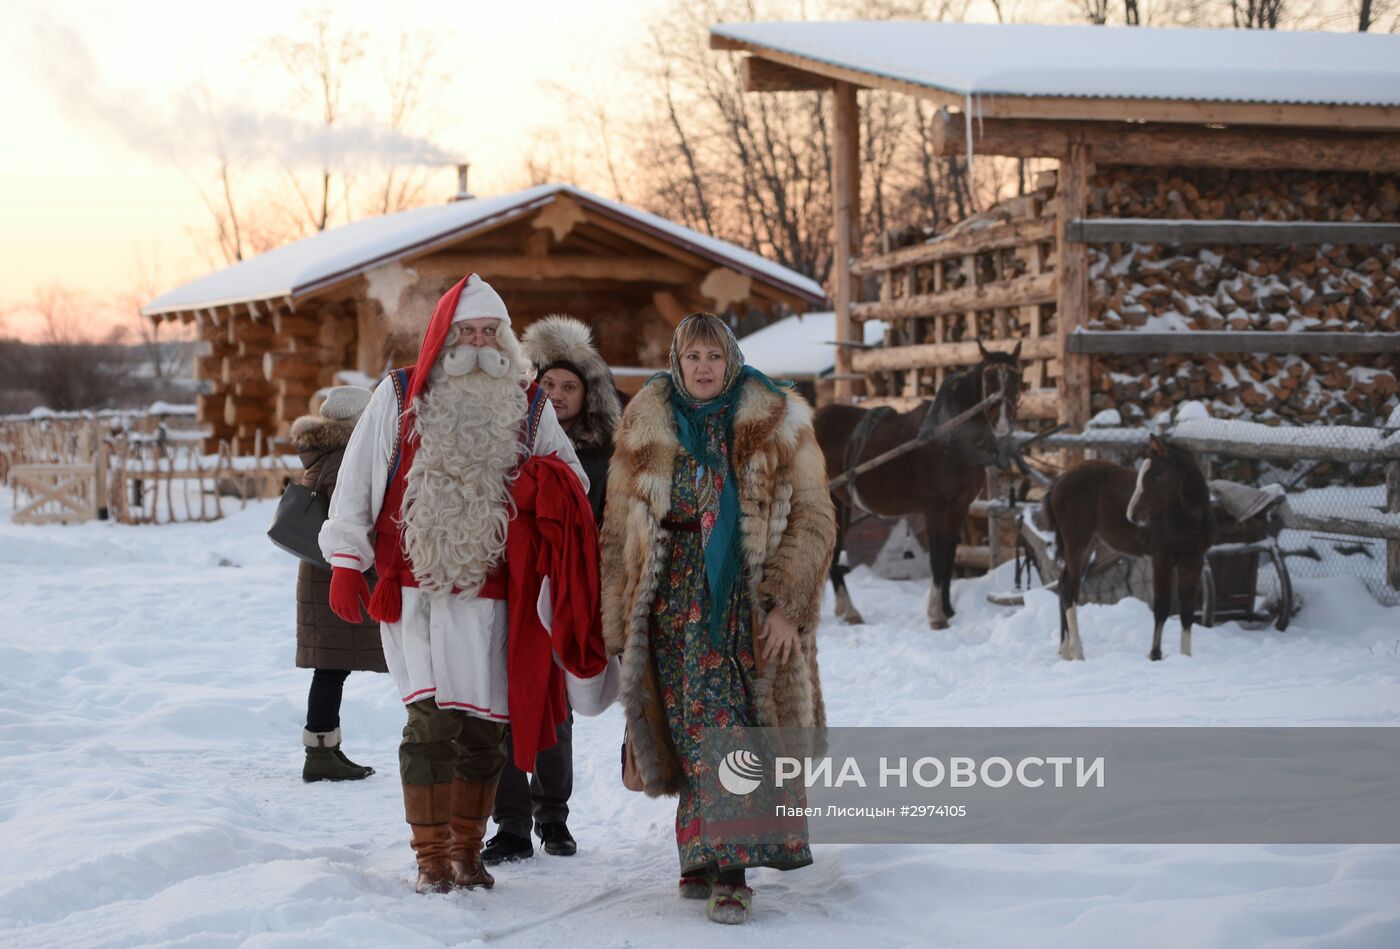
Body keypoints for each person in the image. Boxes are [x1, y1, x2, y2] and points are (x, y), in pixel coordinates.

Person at [320, 274, 608, 895]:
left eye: (488, 331)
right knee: (429, 724)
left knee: (483, 731)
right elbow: (357, 480)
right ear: (443, 336)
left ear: (505, 339)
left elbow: (574, 484)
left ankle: (466, 852)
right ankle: (430, 859)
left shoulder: (528, 405)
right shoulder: (399, 397)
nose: (478, 343)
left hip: (495, 601)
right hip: (416, 595)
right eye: (466, 331)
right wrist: (346, 559)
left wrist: (542, 485)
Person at [600, 312, 835, 925]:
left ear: (730, 360)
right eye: (692, 357)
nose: (702, 368)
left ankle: (731, 874)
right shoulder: (645, 425)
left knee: (731, 730)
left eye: (713, 356)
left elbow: (814, 521)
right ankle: (700, 853)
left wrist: (788, 605)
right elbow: (617, 532)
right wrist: (622, 624)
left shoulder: (779, 421)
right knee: (687, 731)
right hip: (671, 607)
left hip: (746, 608)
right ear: (677, 364)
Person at [481, 316, 622, 865]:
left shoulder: (607, 456)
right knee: (505, 705)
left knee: (556, 709)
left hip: (568, 593)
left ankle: (553, 818)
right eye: (549, 385)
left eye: (570, 387)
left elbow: (613, 524)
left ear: (589, 395)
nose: (558, 396)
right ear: (531, 388)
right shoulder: (506, 447)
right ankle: (510, 824)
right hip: (508, 589)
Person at [290, 385, 386, 782]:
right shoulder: (344, 459)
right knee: (331, 668)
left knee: (332, 667)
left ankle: (325, 749)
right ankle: (320, 755)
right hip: (336, 574)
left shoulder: (326, 455)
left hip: (323, 573)